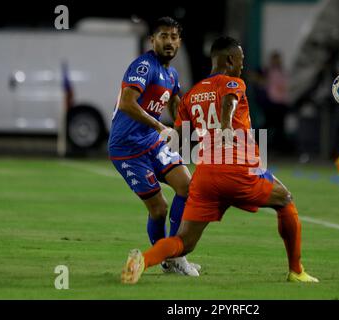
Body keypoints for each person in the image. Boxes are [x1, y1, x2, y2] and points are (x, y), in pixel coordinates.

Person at [120, 36, 318, 284]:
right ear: (230, 59)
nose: (243, 66)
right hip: (238, 171)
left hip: (205, 176)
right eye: (241, 60)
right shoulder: (234, 83)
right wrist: (225, 127)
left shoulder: (191, 95)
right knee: (285, 200)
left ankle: (143, 261)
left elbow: (180, 138)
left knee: (184, 242)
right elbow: (229, 102)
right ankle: (296, 271)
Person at [108, 17, 199, 276]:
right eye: (163, 36)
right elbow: (127, 103)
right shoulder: (143, 66)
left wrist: (190, 125)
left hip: (151, 142)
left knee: (187, 187)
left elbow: (174, 102)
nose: (169, 41)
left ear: (179, 41)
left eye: (173, 36)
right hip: (127, 148)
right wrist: (161, 127)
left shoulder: (171, 73)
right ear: (153, 40)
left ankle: (175, 255)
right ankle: (166, 258)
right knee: (159, 208)